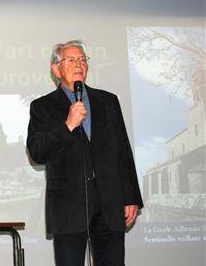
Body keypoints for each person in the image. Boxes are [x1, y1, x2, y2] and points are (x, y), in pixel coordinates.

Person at [27, 40, 143, 266]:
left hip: (110, 204)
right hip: (69, 207)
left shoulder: (108, 101)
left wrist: (131, 197)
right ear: (55, 69)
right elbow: (37, 152)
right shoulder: (42, 106)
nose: (78, 64)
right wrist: (67, 125)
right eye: (71, 60)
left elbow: (123, 152)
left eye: (82, 59)